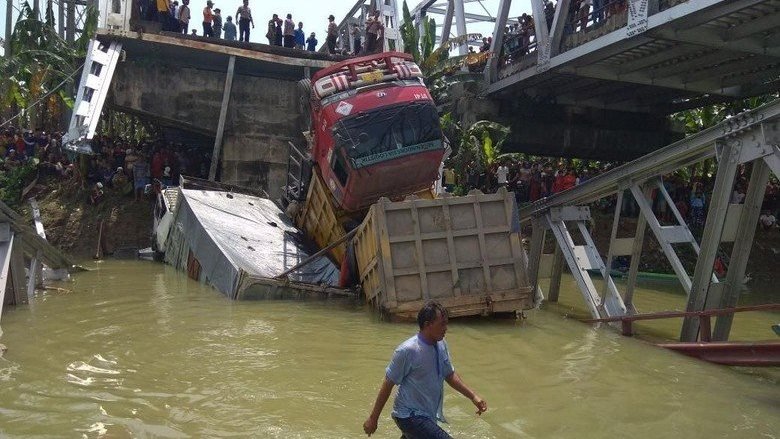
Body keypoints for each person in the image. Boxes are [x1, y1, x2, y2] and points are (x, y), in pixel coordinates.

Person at [363, 301, 487, 438]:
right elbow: (388, 384)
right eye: (442, 324)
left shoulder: (441, 344)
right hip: (409, 415)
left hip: (426, 416)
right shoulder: (407, 350)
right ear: (427, 325)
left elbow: (449, 375)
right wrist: (373, 418)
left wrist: (473, 396)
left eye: (446, 323)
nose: (446, 328)